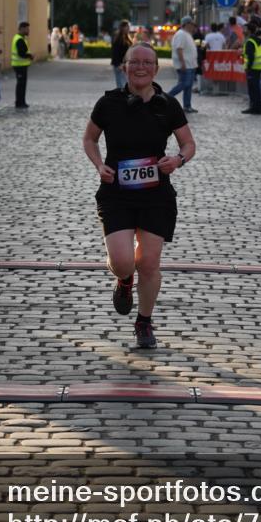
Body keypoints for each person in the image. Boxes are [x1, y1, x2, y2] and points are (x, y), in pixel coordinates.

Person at [82, 41, 196, 349]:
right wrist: (99, 164)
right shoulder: (108, 104)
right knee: (122, 262)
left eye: (147, 62)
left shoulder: (168, 105)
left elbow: (189, 144)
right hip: (116, 193)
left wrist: (177, 160)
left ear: (157, 69)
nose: (141, 67)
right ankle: (123, 280)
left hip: (156, 195)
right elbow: (90, 139)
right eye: (135, 62)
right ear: (124, 67)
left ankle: (144, 322)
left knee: (148, 262)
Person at [168, 15, 198, 114]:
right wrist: (183, 63)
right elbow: (179, 49)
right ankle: (166, 98)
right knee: (184, 84)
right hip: (185, 65)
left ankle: (187, 106)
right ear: (186, 24)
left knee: (188, 86)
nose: (193, 26)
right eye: (191, 24)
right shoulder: (181, 34)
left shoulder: (187, 34)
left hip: (190, 65)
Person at [241, 21, 261, 115]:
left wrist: (248, 67)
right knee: (255, 89)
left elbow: (251, 56)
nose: (243, 30)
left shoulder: (250, 42)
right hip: (257, 68)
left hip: (252, 68)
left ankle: (255, 108)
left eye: (245, 29)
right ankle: (257, 107)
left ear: (249, 31)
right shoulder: (256, 40)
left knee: (253, 89)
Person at [11, 21, 33, 109]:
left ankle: (22, 101)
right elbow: (21, 53)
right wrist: (30, 56)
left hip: (22, 65)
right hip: (19, 65)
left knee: (22, 84)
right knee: (20, 85)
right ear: (22, 29)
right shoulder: (19, 39)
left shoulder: (21, 38)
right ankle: (19, 103)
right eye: (27, 29)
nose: (28, 31)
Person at [111, 20, 132, 89]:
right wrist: (118, 64)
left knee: (125, 85)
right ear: (123, 27)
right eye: (127, 26)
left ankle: (124, 98)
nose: (129, 28)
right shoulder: (118, 38)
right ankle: (121, 99)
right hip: (120, 65)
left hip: (125, 64)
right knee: (121, 86)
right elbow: (115, 52)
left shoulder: (127, 38)